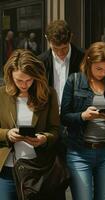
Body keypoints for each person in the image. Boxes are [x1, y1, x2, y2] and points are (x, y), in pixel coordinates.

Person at [60, 42, 105, 200]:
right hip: (79, 152)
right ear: (88, 63)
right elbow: (64, 117)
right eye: (98, 68)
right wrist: (83, 116)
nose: (103, 73)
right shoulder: (74, 81)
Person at [0, 49, 60, 200]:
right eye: (19, 80)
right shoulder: (1, 95)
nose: (24, 84)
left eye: (28, 80)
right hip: (7, 169)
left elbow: (56, 130)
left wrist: (44, 138)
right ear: (10, 76)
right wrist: (7, 134)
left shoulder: (48, 94)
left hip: (38, 170)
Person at [38, 20, 84, 107]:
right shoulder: (40, 62)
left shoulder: (83, 58)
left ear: (71, 37)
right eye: (55, 48)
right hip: (49, 115)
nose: (60, 53)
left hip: (76, 115)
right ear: (47, 39)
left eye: (64, 48)